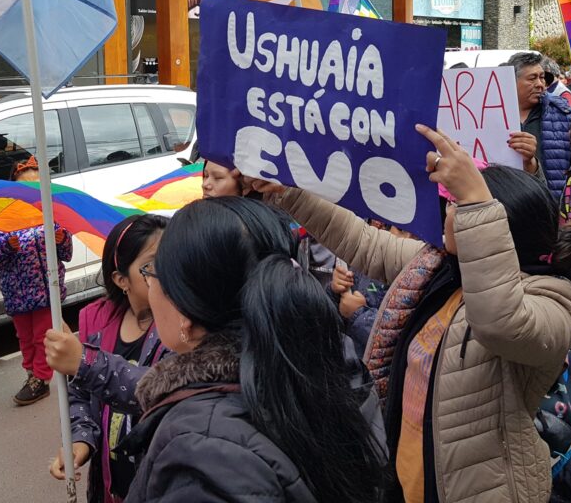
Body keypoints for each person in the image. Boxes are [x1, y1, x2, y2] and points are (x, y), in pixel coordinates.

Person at [258, 128, 571, 503]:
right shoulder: (439, 267)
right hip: (407, 476)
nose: (446, 212)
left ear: (500, 227)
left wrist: (476, 203)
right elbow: (363, 242)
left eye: (457, 205)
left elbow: (500, 323)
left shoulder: (555, 299)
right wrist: (289, 191)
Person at [120, 195, 387, 503]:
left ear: (185, 312)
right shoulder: (330, 360)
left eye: (153, 272)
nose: (150, 287)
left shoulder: (203, 450)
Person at [45, 215, 169, 503]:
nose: (167, 272)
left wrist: (84, 362)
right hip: (109, 486)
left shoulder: (179, 325)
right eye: (152, 265)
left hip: (157, 484)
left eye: (172, 258)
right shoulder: (97, 321)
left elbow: (160, 391)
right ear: (121, 279)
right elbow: (81, 394)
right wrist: (80, 439)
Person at [0, 157, 73, 406]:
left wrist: (62, 239)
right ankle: (32, 372)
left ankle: (41, 378)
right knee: (25, 338)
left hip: (46, 290)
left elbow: (66, 253)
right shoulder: (3, 218)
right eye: (25, 185)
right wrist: (5, 246)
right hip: (16, 293)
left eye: (37, 184)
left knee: (43, 335)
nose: (31, 190)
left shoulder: (50, 213)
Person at [506, 51, 571, 199]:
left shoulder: (564, 115)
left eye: (542, 77)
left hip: (551, 203)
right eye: (532, 78)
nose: (540, 84)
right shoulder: (492, 114)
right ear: (511, 80)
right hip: (505, 202)